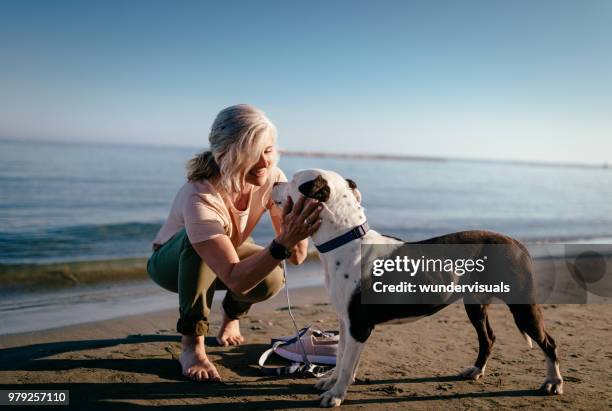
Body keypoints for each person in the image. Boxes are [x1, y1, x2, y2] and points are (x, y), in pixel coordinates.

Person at [147, 104, 322, 381]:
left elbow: (296, 257)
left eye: (269, 150)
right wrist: (282, 242)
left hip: (225, 252)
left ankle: (231, 317)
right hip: (171, 265)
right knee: (198, 245)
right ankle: (192, 346)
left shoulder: (272, 176)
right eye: (254, 154)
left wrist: (300, 211)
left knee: (272, 278)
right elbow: (237, 280)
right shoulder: (200, 196)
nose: (265, 162)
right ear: (224, 154)